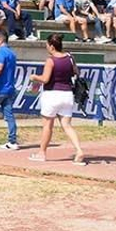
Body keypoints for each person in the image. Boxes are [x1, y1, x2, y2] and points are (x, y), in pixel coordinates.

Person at [28, 33, 85, 163]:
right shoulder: (70, 57)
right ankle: (79, 150)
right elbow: (76, 72)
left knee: (47, 126)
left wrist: (34, 77)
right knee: (67, 125)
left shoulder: (51, 60)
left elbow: (45, 79)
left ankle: (42, 153)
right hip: (67, 95)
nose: (47, 47)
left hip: (52, 95)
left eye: (47, 45)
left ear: (52, 46)